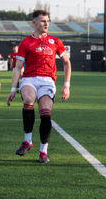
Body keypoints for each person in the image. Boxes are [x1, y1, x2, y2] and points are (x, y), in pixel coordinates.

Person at [6, 10, 71, 163]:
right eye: (42, 21)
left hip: (48, 81)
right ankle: (27, 141)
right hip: (29, 79)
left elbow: (67, 63)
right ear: (34, 23)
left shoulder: (55, 42)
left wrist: (66, 86)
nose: (46, 23)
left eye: (47, 20)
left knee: (45, 112)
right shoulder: (26, 42)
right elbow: (17, 68)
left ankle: (43, 151)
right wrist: (13, 89)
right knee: (28, 100)